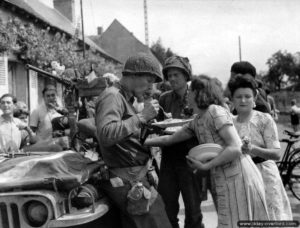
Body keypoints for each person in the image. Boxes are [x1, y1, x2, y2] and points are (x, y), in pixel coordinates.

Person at [145, 75, 270, 228]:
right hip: (223, 177)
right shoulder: (197, 120)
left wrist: (206, 166)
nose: (187, 94)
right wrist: (141, 141)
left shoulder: (215, 112)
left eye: (190, 91)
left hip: (239, 175)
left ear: (199, 93)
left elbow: (235, 148)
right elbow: (169, 140)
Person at [95, 53, 172, 228]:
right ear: (134, 75)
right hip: (129, 180)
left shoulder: (124, 98)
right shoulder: (112, 96)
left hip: (135, 177)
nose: (150, 86)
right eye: (149, 80)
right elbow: (106, 134)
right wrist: (142, 116)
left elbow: (126, 134)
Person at [228, 74, 292, 220]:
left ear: (254, 97)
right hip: (241, 176)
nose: (243, 100)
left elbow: (276, 154)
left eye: (247, 96)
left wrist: (252, 149)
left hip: (265, 175)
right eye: (238, 97)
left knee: (270, 217)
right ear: (232, 99)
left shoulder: (264, 119)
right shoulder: (229, 122)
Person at [156, 55, 203, 228]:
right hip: (169, 158)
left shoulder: (197, 97)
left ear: (186, 75)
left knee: (193, 210)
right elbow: (160, 126)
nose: (172, 79)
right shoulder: (164, 99)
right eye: (169, 75)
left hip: (191, 157)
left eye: (176, 74)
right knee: (167, 206)